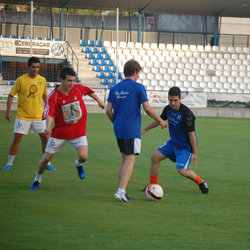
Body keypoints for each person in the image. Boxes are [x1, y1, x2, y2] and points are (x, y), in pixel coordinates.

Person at [29, 67, 105, 190]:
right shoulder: (53, 96)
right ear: (61, 80)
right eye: (69, 80)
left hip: (78, 131)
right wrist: (47, 126)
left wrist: (99, 101)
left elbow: (89, 91)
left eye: (73, 80)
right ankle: (37, 179)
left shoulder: (76, 88)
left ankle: (78, 164)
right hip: (59, 133)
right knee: (46, 158)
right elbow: (50, 113)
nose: (72, 83)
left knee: (84, 157)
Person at [106, 59, 167, 202]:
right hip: (131, 129)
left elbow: (108, 110)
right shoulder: (138, 87)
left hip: (118, 128)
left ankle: (121, 190)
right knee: (130, 159)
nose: (139, 76)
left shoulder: (114, 88)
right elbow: (147, 108)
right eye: (138, 73)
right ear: (135, 72)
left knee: (124, 158)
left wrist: (116, 122)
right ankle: (121, 191)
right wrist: (161, 121)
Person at [141, 86, 210, 194]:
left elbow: (192, 135)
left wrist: (195, 153)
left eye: (175, 100)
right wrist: (145, 129)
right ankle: (152, 186)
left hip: (185, 147)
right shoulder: (168, 109)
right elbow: (159, 120)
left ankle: (201, 182)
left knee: (182, 171)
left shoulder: (187, 115)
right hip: (173, 143)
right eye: (170, 100)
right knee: (154, 158)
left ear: (180, 99)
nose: (172, 103)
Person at [3, 57, 56, 171]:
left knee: (45, 138)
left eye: (37, 67)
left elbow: (45, 97)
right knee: (17, 138)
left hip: (39, 116)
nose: (35, 69)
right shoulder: (21, 80)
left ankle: (48, 163)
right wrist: (8, 112)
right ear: (28, 67)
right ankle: (9, 163)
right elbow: (11, 95)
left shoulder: (42, 80)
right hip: (23, 116)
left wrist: (48, 111)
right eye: (33, 67)